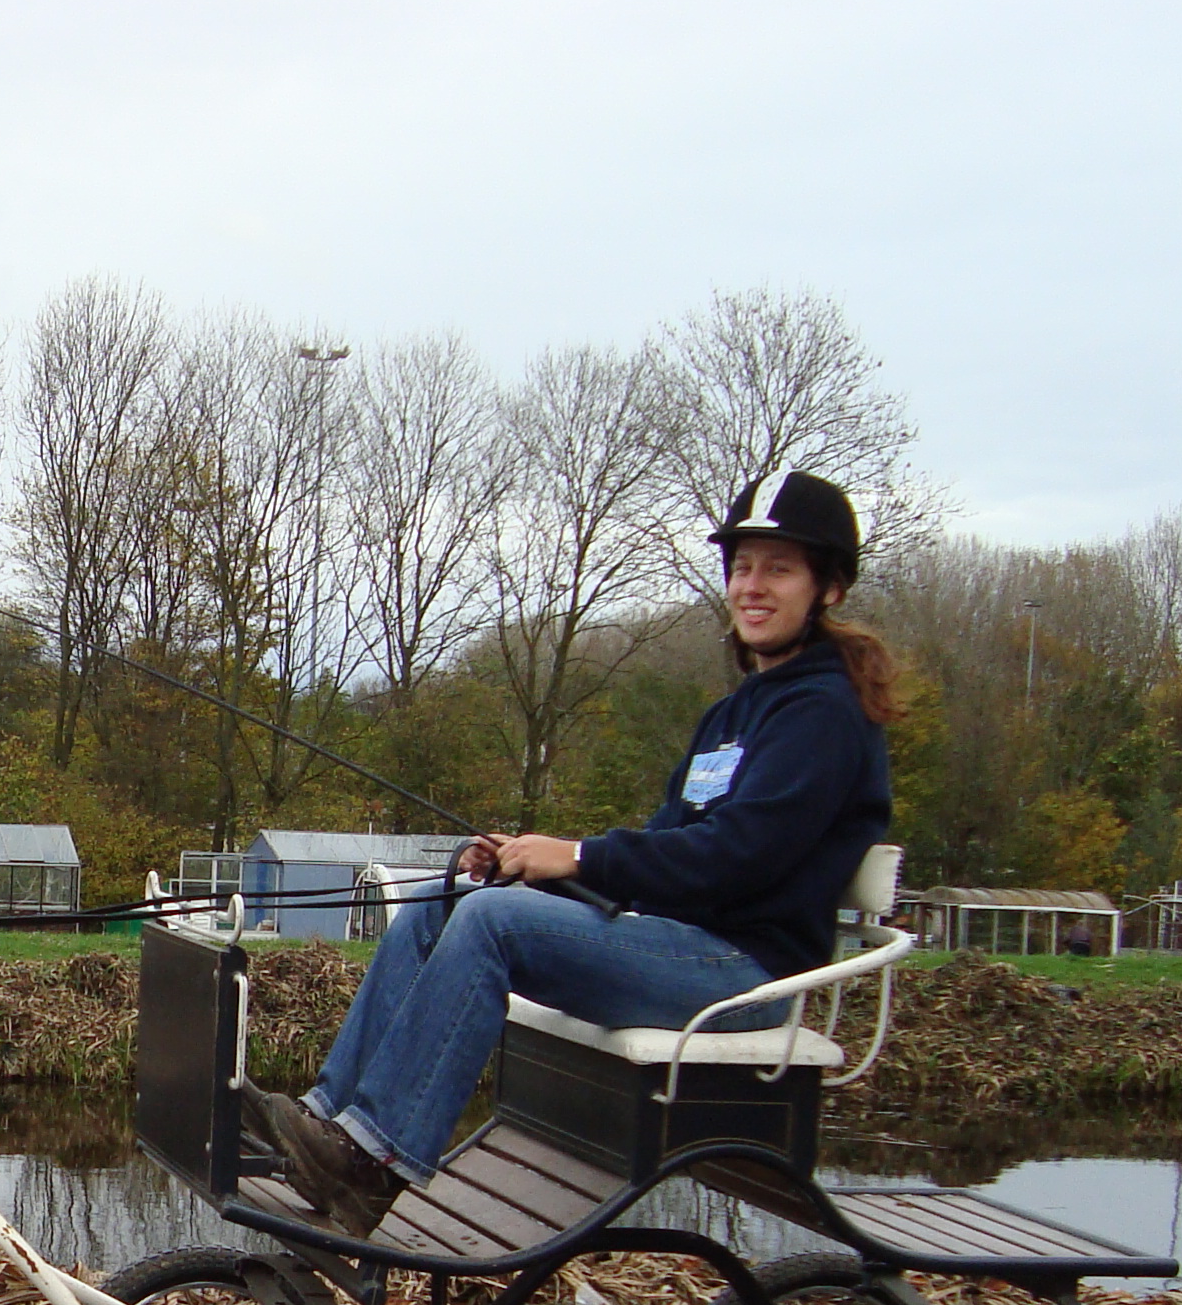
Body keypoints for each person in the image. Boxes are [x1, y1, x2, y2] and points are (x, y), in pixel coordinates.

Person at [257, 470, 897, 1233]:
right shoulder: (732, 715)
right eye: (743, 566)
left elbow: (733, 859)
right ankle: (325, 1125)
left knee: (492, 924)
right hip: (682, 943)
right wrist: (532, 868)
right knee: (444, 903)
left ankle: (372, 1163)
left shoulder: (823, 715)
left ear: (828, 587)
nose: (752, 586)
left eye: (779, 569)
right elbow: (666, 848)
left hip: (743, 974)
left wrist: (579, 857)